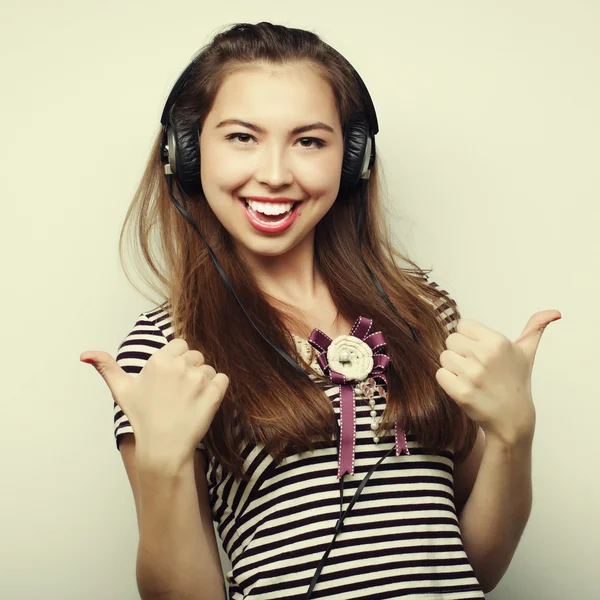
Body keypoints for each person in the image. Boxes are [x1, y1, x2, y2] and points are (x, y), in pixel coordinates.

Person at [80, 21, 559, 600]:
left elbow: (469, 570)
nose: (277, 174)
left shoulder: (422, 314)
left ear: (352, 159)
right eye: (241, 137)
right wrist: (161, 465)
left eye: (309, 141)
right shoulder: (167, 350)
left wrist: (514, 435)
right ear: (185, 151)